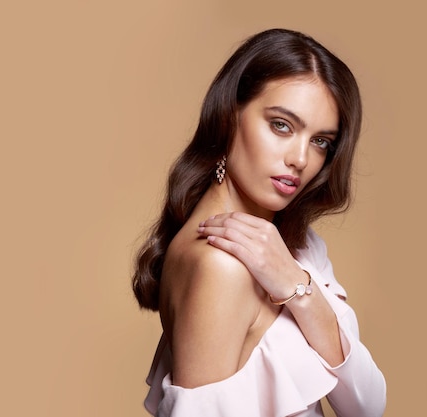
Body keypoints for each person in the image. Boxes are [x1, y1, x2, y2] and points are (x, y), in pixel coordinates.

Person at [132, 28, 386, 417]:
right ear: (229, 116)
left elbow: (367, 406)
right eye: (282, 125)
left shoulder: (293, 246)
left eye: (321, 141)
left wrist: (296, 285)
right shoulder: (222, 264)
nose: (300, 159)